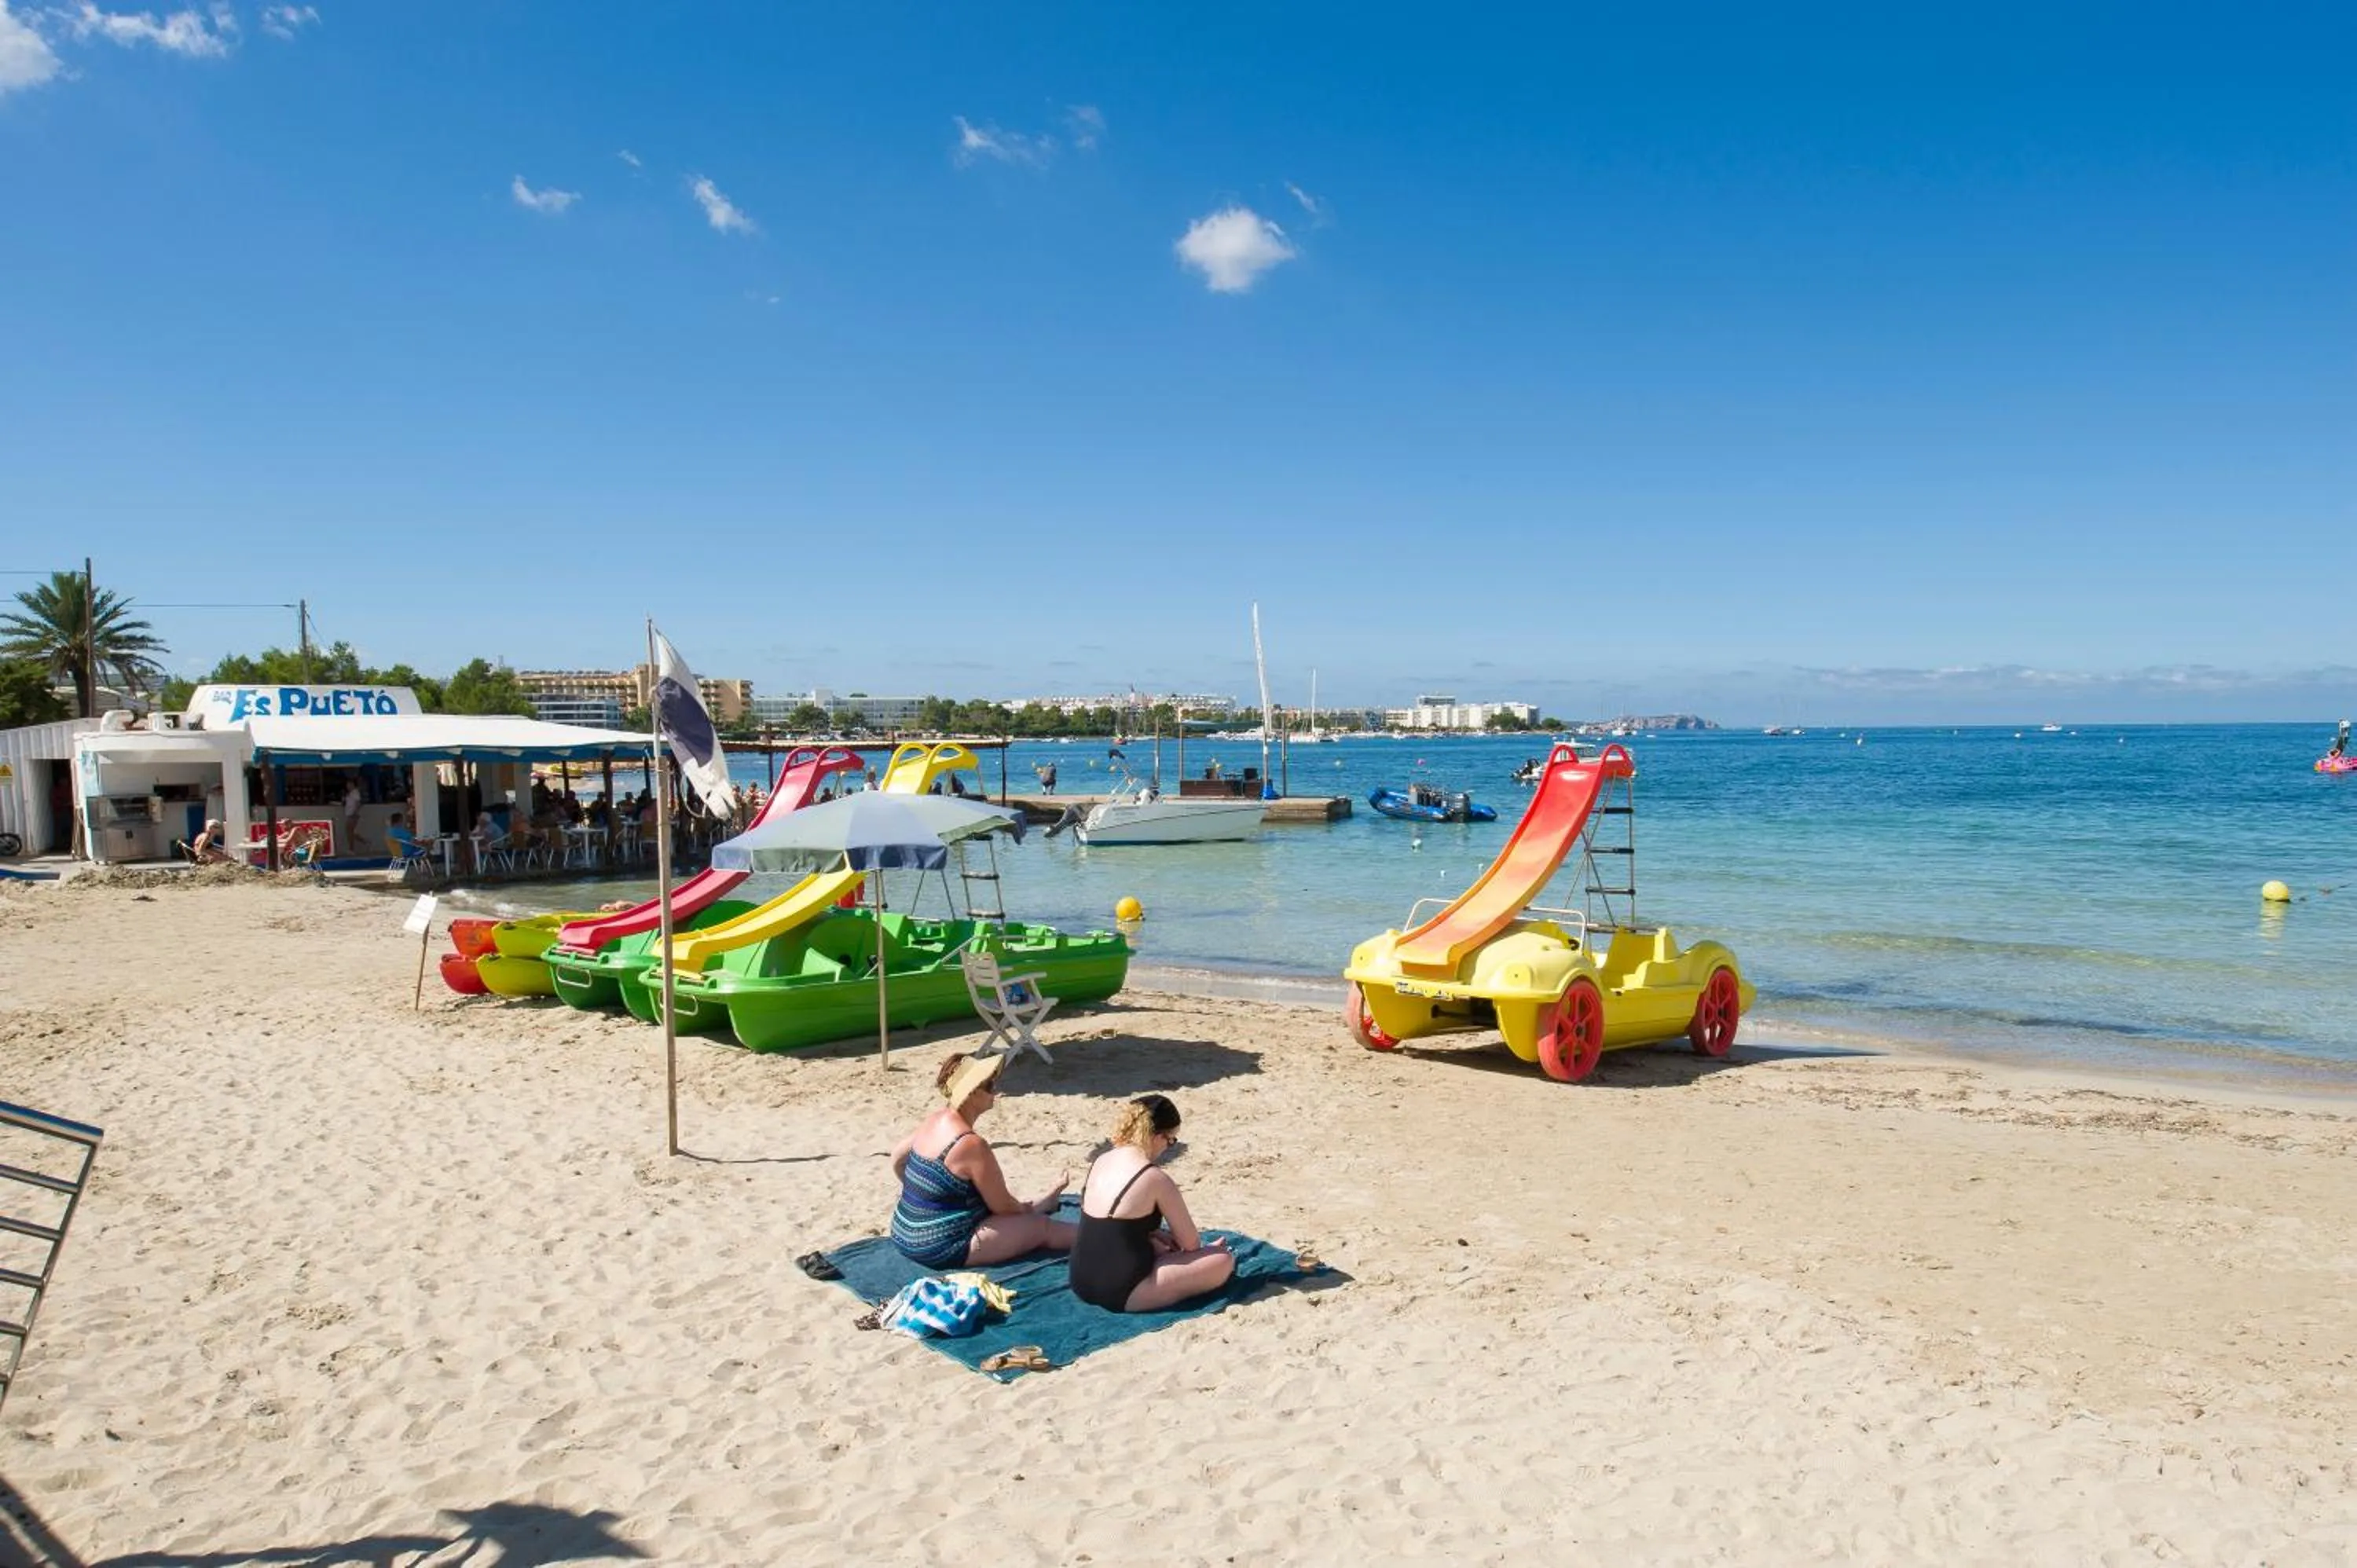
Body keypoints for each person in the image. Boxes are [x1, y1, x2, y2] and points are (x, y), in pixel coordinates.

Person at [888, 1053, 1073, 1268]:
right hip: (939, 1247)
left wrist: (923, 1195)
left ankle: (1045, 1203)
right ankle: (1103, 1239)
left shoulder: (935, 1119)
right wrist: (1027, 1213)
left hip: (902, 1232)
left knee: (1009, 1208)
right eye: (989, 1085)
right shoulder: (970, 1144)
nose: (996, 1091)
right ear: (972, 1093)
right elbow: (1003, 1207)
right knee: (1041, 1227)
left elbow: (897, 1159)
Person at [1070, 1094, 1234, 1313]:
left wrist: (1152, 1235)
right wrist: (1209, 1251)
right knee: (1222, 1260)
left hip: (1080, 1280)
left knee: (1162, 1242)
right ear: (1157, 1136)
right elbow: (1191, 1244)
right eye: (1171, 1140)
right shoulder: (1154, 1177)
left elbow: (1113, 1225)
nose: (1168, 1147)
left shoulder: (1101, 1160)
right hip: (1122, 1292)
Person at [342, 777, 363, 853]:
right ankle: (364, 842)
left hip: (353, 814)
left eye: (349, 784)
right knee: (350, 831)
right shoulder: (350, 793)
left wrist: (355, 813)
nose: (348, 786)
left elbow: (358, 803)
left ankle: (352, 848)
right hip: (349, 814)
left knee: (349, 831)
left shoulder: (355, 792)